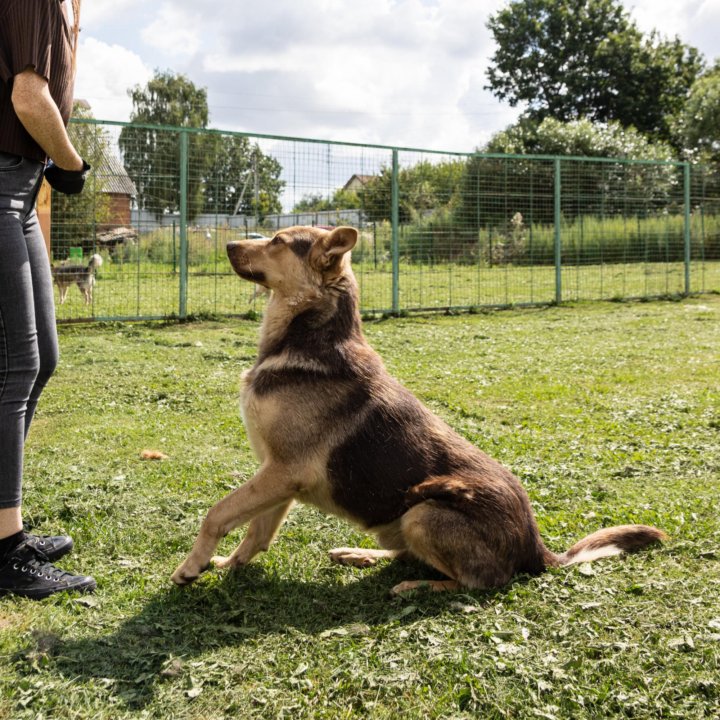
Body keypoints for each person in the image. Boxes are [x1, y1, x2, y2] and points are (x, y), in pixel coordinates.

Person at [0, 0, 96, 598]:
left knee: (44, 359)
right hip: (3, 180)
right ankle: (3, 549)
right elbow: (29, 98)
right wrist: (73, 163)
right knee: (14, 364)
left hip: (21, 187)